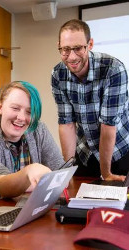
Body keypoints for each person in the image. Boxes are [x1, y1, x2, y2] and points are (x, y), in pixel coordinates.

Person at [51, 19, 129, 181]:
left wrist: (106, 173)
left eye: (78, 48)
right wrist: (68, 170)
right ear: (59, 45)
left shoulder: (113, 69)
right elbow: (67, 124)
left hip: (119, 150)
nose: (71, 57)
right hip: (86, 152)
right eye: (65, 49)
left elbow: (108, 125)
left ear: (90, 44)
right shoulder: (58, 74)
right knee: (77, 198)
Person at [0, 81, 65, 202]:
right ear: (0, 107)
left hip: (23, 206)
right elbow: (1, 185)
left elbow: (59, 170)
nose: (21, 118)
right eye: (15, 108)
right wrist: (29, 172)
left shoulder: (39, 130)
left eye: (29, 112)